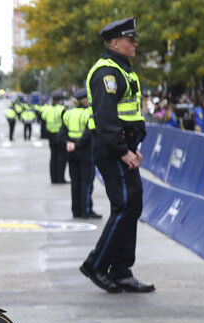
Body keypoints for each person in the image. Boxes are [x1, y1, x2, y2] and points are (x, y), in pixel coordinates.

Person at [79, 16, 154, 293]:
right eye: (130, 40)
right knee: (125, 205)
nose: (135, 44)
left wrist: (132, 149)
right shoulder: (106, 73)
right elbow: (107, 119)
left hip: (124, 147)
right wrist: (124, 152)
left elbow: (129, 114)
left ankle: (121, 269)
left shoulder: (124, 70)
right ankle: (97, 264)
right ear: (115, 42)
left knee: (132, 205)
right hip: (112, 150)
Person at [62, 89, 100, 219]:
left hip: (71, 151)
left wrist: (69, 142)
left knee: (75, 182)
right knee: (87, 182)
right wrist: (78, 144)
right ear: (85, 100)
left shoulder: (68, 114)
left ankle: (76, 211)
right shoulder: (88, 113)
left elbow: (62, 131)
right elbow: (89, 132)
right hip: (85, 151)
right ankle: (86, 210)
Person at [44, 91, 67, 183]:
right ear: (61, 99)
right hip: (60, 136)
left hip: (51, 135)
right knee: (61, 158)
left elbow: (43, 118)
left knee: (53, 157)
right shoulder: (62, 109)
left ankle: (53, 178)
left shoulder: (48, 109)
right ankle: (60, 178)